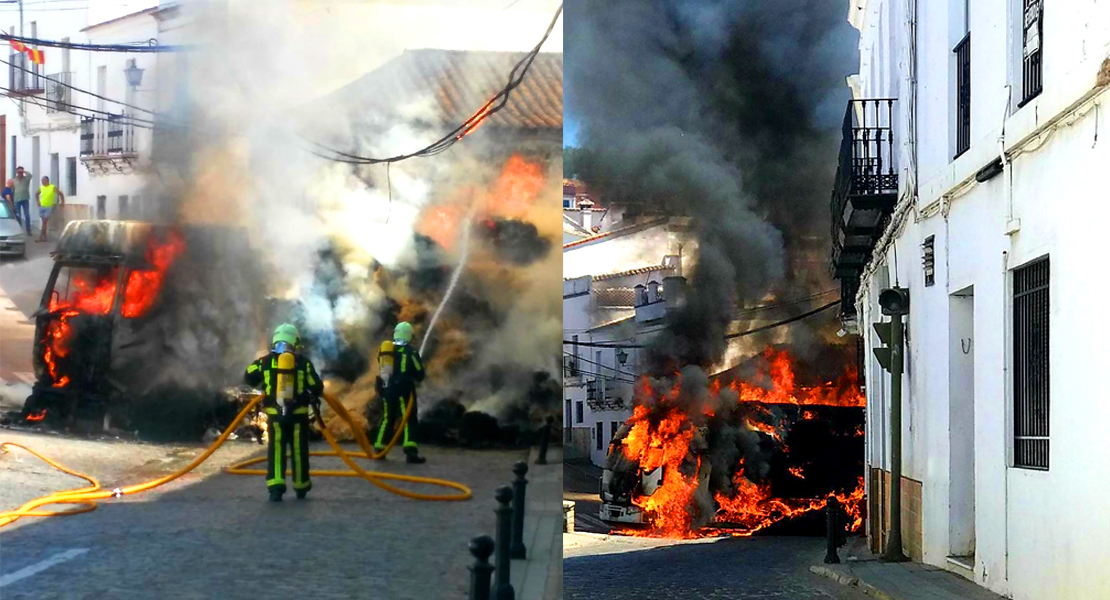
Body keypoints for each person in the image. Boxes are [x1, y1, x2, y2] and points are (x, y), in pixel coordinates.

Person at [244, 323, 324, 502]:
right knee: (298, 450)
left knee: (276, 449)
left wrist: (265, 384)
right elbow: (317, 386)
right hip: (298, 416)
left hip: (275, 415)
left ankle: (276, 487)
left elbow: (248, 375)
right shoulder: (303, 363)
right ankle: (301, 485)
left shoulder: (264, 361)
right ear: (295, 343)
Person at [374, 321, 427, 464]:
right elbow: (420, 374)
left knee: (387, 417)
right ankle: (411, 452)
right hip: (405, 390)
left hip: (387, 388)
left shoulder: (386, 350)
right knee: (408, 419)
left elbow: (383, 367)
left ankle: (379, 447)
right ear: (409, 335)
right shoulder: (411, 352)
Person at [36, 176, 64, 243]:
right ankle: (45, 237)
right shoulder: (42, 188)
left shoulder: (52, 187)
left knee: (45, 221)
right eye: (42, 181)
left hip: (48, 207)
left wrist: (62, 202)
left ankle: (41, 237)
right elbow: (36, 194)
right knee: (44, 223)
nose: (42, 182)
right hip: (42, 206)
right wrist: (38, 201)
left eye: (44, 181)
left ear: (47, 181)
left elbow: (60, 194)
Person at [12, 167, 31, 235]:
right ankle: (19, 230)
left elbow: (30, 175)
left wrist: (23, 171)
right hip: (17, 199)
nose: (20, 173)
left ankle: (28, 230)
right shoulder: (14, 180)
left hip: (25, 199)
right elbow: (12, 189)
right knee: (18, 215)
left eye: (21, 172)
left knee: (27, 215)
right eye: (18, 172)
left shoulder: (26, 179)